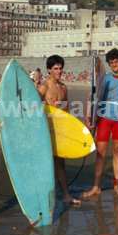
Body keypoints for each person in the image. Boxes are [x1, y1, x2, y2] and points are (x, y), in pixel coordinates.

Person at [83, 48, 118, 198]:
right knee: (100, 153)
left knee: (117, 151)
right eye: (111, 62)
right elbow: (93, 96)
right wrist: (89, 116)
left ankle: (116, 185)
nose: (114, 64)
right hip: (103, 119)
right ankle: (96, 186)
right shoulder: (105, 78)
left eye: (116, 61)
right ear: (108, 64)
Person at [38, 55, 81, 206]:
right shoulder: (44, 86)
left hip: (60, 129)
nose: (59, 71)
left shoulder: (63, 87)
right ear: (49, 70)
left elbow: (67, 110)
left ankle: (66, 195)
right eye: (55, 68)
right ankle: (43, 197)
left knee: (60, 163)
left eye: (60, 68)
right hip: (46, 131)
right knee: (46, 163)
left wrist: (73, 129)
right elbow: (33, 106)